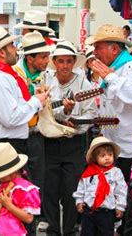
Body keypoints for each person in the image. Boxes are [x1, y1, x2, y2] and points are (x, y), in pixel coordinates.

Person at [0, 27, 48, 219]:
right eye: (12, 45)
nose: (16, 49)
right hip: (5, 145)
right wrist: (36, 102)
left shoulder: (1, 75)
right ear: (1, 52)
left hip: (7, 144)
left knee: (15, 203)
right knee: (14, 205)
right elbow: (11, 117)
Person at [86, 24, 132, 182]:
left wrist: (110, 78)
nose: (95, 53)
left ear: (115, 49)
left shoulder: (131, 67)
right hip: (118, 148)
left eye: (98, 47)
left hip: (131, 150)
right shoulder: (117, 69)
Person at [43, 41, 97, 236]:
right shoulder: (45, 81)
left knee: (70, 190)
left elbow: (91, 113)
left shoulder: (84, 84)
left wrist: (75, 120)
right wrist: (59, 113)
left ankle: (68, 230)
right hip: (49, 142)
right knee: (49, 189)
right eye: (60, 61)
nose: (64, 66)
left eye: (68, 61)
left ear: (74, 62)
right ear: (55, 62)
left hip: (73, 143)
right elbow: (41, 110)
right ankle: (53, 229)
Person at [13, 31, 52, 223]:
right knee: (18, 178)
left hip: (36, 133)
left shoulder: (45, 75)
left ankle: (34, 217)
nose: (47, 61)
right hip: (17, 134)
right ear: (30, 58)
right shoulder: (15, 75)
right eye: (43, 57)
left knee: (37, 177)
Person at [0, 142, 40, 235]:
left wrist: (8, 205)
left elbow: (29, 219)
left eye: (2, 175)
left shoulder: (25, 189)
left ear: (14, 170)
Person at [73, 136, 127, 236]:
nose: (107, 158)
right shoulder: (89, 172)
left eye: (110, 155)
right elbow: (81, 188)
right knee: (87, 233)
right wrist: (79, 201)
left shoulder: (116, 172)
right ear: (95, 158)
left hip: (107, 212)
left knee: (105, 233)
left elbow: (121, 191)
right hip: (89, 211)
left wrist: (120, 207)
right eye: (103, 155)